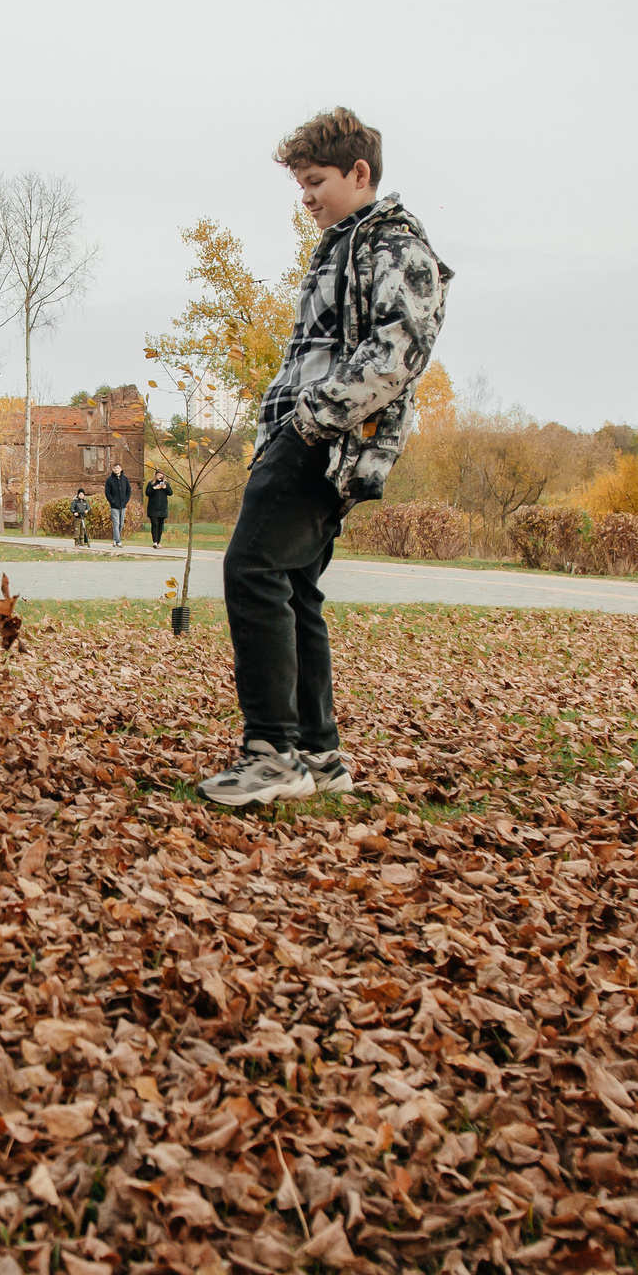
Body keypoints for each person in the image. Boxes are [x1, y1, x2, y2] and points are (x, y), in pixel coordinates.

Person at [200, 108, 449, 807]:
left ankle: (273, 753)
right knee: (293, 587)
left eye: (316, 181)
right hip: (302, 432)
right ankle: (319, 753)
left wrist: (312, 421)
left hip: (326, 440)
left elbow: (401, 348)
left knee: (250, 568)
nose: (305, 196)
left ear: (359, 173)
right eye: (300, 184)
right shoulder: (341, 244)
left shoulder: (394, 243)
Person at [103, 464, 131, 546]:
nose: (116, 469)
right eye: (114, 468)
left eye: (117, 468)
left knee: (121, 523)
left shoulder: (125, 479)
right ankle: (118, 541)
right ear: (112, 469)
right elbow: (107, 492)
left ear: (121, 469)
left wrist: (126, 500)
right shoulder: (110, 480)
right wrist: (112, 501)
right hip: (114, 505)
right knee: (116, 523)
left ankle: (115, 539)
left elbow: (128, 490)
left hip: (123, 505)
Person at [146, 474, 172, 548]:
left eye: (161, 475)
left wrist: (165, 488)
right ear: (155, 476)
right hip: (153, 508)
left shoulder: (166, 484)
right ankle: (155, 542)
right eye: (158, 475)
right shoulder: (151, 484)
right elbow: (147, 493)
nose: (160, 477)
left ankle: (158, 542)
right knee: (155, 524)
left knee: (160, 526)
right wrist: (154, 488)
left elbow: (170, 493)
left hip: (162, 508)